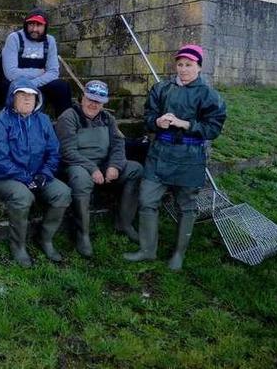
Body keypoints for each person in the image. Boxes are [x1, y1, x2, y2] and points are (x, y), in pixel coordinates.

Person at [123, 45, 226, 270]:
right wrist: (156, 122)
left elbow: (213, 128)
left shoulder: (209, 95)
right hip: (159, 153)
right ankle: (147, 250)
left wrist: (186, 124)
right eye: (180, 64)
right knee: (147, 200)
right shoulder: (162, 88)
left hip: (189, 157)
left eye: (189, 65)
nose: (183, 69)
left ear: (199, 67)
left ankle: (178, 254)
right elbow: (148, 115)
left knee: (187, 206)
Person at [0, 79, 72, 267]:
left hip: (37, 173)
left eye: (31, 96)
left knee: (62, 193)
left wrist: (44, 174)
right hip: (2, 176)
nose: (27, 99)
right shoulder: (0, 123)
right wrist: (26, 178)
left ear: (37, 99)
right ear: (12, 98)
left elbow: (53, 151)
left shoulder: (43, 120)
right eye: (22, 95)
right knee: (23, 197)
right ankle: (18, 246)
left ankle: (45, 239)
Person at [56, 80, 143, 257]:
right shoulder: (68, 117)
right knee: (80, 179)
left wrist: (114, 166)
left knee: (135, 169)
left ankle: (124, 223)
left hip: (104, 164)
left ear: (104, 103)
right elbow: (67, 151)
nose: (93, 104)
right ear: (82, 97)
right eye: (90, 99)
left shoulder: (108, 118)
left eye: (98, 101)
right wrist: (92, 169)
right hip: (77, 165)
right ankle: (83, 234)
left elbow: (119, 144)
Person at [1, 8, 72, 117]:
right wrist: (39, 72)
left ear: (45, 27)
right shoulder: (14, 38)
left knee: (62, 86)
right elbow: (11, 73)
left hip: (39, 83)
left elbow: (53, 72)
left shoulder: (50, 41)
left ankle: (65, 123)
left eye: (39, 25)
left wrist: (34, 84)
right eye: (31, 25)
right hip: (17, 84)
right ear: (26, 25)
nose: (34, 29)